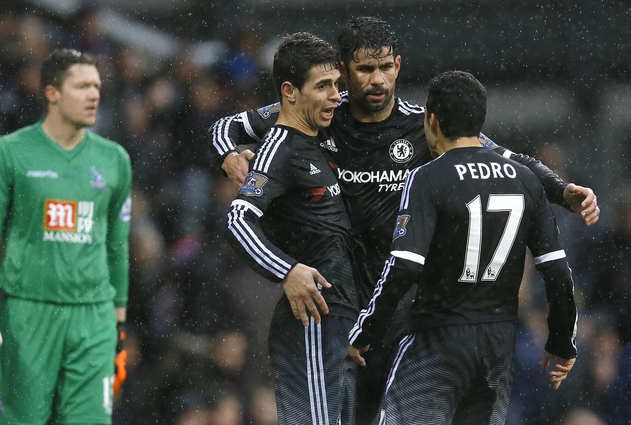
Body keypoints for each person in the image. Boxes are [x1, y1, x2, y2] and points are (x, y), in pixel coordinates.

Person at [211, 16, 598, 424]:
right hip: (337, 306)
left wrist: (560, 192)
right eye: (364, 69)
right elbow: (226, 127)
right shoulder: (321, 112)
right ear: (344, 71)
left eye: (385, 67)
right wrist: (228, 156)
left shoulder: (423, 124)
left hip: (399, 314)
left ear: (398, 65)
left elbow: (503, 157)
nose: (377, 79)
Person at [348, 70, 578, 424]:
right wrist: (562, 341)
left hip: (436, 340)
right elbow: (558, 271)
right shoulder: (525, 179)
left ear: (433, 121)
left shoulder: (427, 177)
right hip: (497, 343)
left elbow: (405, 265)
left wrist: (367, 329)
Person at [223, 32, 358, 424]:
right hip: (313, 319)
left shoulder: (318, 137)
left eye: (336, 84)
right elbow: (238, 219)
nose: (336, 95)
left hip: (341, 317)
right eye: (323, 86)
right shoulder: (278, 147)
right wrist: (288, 270)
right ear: (290, 92)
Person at [0, 48, 132, 425]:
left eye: (98, 86)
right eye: (82, 86)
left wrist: (119, 325)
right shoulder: (9, 153)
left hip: (94, 316)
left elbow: (117, 246)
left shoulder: (114, 158)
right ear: (52, 92)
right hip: (27, 311)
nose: (94, 94)